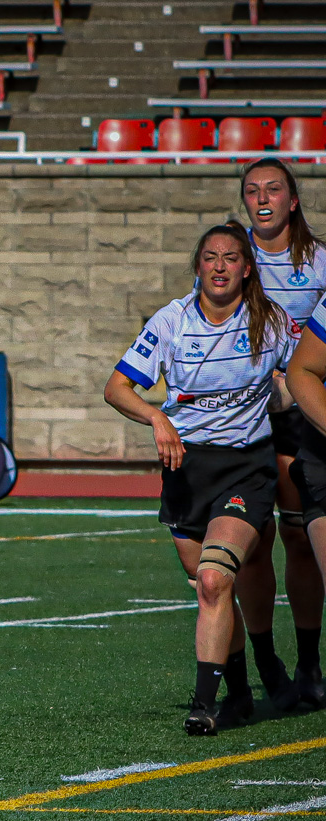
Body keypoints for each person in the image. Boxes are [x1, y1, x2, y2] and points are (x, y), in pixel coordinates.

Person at [105, 221, 295, 735]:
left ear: (247, 268)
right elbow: (117, 387)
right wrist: (156, 417)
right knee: (207, 587)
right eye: (210, 257)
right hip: (187, 471)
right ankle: (241, 689)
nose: (219, 266)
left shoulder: (271, 321)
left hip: (246, 468)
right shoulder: (171, 321)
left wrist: (292, 395)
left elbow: (299, 376)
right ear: (197, 266)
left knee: (215, 578)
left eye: (230, 258)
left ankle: (206, 703)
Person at [235, 158, 326, 708]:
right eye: (252, 191)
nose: (263, 198)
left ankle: (311, 661)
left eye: (273, 189)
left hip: (299, 413)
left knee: (298, 535)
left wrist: (297, 382)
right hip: (245, 415)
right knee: (251, 541)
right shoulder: (232, 259)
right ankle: (266, 658)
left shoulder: (319, 261)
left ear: (293, 201)